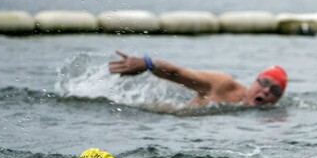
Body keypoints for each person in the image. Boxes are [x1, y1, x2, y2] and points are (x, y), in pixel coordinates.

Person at [108, 51, 288, 107]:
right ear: (255, 81)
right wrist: (147, 63)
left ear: (278, 99)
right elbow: (178, 73)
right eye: (264, 82)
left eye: (275, 90)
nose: (266, 91)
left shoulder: (271, 116)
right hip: (168, 116)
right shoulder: (222, 84)